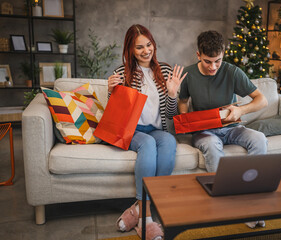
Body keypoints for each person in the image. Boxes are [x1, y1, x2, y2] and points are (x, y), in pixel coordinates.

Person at [178, 30, 268, 228]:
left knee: (259, 138)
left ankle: (252, 201)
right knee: (210, 144)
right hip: (205, 132)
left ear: (223, 54)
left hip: (232, 128)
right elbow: (183, 100)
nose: (213, 67)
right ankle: (224, 201)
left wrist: (240, 109)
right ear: (198, 55)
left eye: (217, 61)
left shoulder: (232, 71)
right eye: (208, 61)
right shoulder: (189, 74)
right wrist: (185, 120)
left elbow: (262, 100)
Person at [108, 24, 187, 240]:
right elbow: (115, 115)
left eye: (149, 44)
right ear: (130, 50)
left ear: (153, 44)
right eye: (139, 47)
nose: (146, 51)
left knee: (169, 142)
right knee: (148, 145)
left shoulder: (165, 70)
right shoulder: (122, 72)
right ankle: (146, 219)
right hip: (132, 131)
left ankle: (140, 208)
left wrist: (172, 94)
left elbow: (170, 114)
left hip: (156, 128)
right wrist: (110, 92)